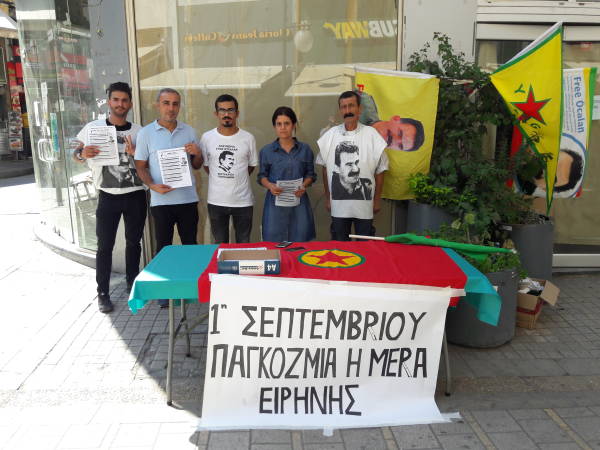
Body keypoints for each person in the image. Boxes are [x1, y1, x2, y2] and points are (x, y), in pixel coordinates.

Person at [73, 82, 145, 314]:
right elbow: (76, 153)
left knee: (134, 243)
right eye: (116, 99)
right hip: (107, 196)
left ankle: (132, 283)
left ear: (130, 103)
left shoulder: (139, 131)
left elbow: (148, 162)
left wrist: (135, 154)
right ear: (109, 101)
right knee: (104, 246)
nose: (120, 104)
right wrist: (81, 154)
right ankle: (102, 293)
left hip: (135, 195)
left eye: (124, 100)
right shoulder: (93, 128)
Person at [134, 88, 203, 307]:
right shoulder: (146, 133)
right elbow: (140, 166)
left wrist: (198, 154)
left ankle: (190, 288)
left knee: (190, 245)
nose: (171, 108)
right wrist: (152, 185)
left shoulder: (189, 131)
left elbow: (197, 165)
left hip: (188, 200)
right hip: (161, 201)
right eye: (166, 103)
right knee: (163, 247)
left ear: (179, 106)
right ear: (157, 105)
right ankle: (164, 291)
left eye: (175, 103)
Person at [317, 90, 388, 241]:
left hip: (365, 207)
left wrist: (376, 200)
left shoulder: (372, 135)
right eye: (344, 107)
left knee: (365, 248)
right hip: (338, 208)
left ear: (359, 109)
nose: (348, 111)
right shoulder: (329, 136)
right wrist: (328, 197)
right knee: (340, 248)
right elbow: (325, 168)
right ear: (340, 111)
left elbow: (380, 170)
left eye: (351, 106)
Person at [200, 94, 258, 243]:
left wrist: (238, 176)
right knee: (220, 245)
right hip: (216, 201)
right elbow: (207, 166)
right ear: (216, 113)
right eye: (222, 110)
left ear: (237, 113)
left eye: (230, 110)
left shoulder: (248, 138)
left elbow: (251, 166)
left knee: (243, 245)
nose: (226, 114)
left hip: (243, 201)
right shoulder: (207, 138)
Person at [258, 106, 316, 242]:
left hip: (299, 203)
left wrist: (304, 185)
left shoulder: (305, 149)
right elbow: (261, 176)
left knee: (301, 241)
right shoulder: (266, 151)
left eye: (287, 123)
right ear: (274, 127)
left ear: (294, 125)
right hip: (275, 205)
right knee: (274, 243)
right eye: (279, 124)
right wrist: (270, 186)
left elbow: (311, 174)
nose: (283, 128)